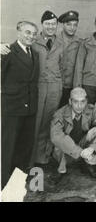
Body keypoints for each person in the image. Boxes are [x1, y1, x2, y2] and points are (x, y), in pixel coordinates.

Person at [1, 21, 39, 189]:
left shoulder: (35, 53)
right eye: (27, 32)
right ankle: (3, 182)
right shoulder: (7, 51)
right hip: (13, 107)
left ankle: (18, 180)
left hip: (30, 107)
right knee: (8, 146)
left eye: (33, 34)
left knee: (24, 145)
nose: (31, 36)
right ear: (18, 32)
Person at [50, 88, 96, 183]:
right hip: (69, 147)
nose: (79, 106)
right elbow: (56, 136)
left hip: (84, 143)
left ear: (86, 101)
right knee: (59, 143)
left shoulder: (92, 110)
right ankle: (61, 170)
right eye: (76, 102)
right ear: (70, 101)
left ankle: (89, 164)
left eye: (82, 102)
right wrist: (79, 152)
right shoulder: (60, 114)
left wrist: (93, 148)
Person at [32, 10, 65, 166]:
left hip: (54, 87)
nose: (51, 27)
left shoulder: (61, 43)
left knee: (48, 121)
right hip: (39, 86)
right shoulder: (34, 41)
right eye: (47, 24)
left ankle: (42, 156)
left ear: (57, 25)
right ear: (42, 24)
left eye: (53, 24)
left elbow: (63, 67)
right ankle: (29, 157)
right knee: (35, 121)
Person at [57, 10, 82, 107]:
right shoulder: (55, 40)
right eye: (69, 24)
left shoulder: (79, 42)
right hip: (56, 85)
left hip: (71, 86)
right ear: (63, 24)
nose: (72, 28)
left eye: (75, 25)